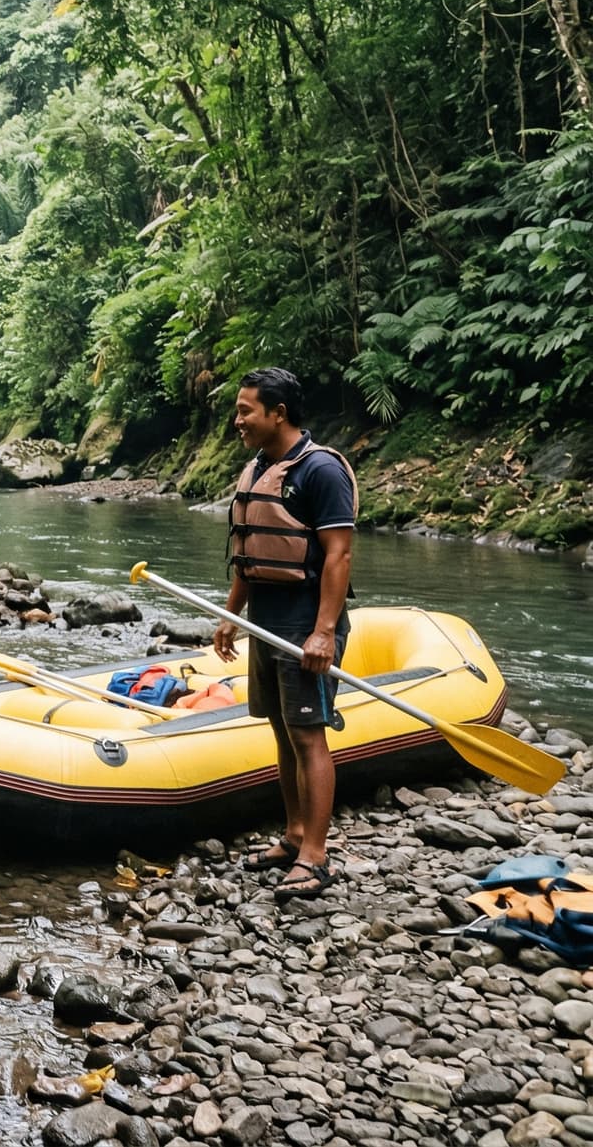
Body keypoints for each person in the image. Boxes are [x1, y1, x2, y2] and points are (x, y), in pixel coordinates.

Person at [213, 367, 357, 898]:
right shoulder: (258, 466)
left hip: (304, 623)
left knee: (307, 734)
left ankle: (316, 858)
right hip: (263, 621)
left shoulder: (321, 471)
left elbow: (338, 555)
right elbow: (250, 554)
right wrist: (232, 614)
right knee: (279, 729)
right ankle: (294, 835)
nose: (238, 420)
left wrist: (323, 633)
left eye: (246, 410)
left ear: (279, 413)